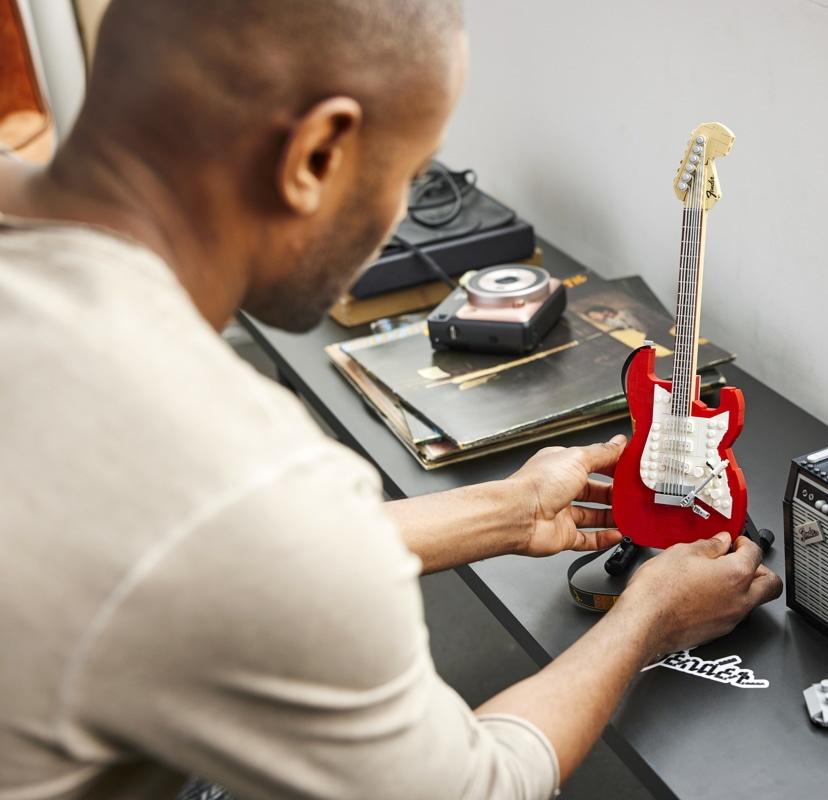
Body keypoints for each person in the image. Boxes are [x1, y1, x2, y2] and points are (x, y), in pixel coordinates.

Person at [0, 1, 783, 798]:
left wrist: (509, 510)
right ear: (317, 155)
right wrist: (649, 619)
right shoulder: (240, 475)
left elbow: (197, 545)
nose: (401, 215)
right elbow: (476, 787)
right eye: (409, 176)